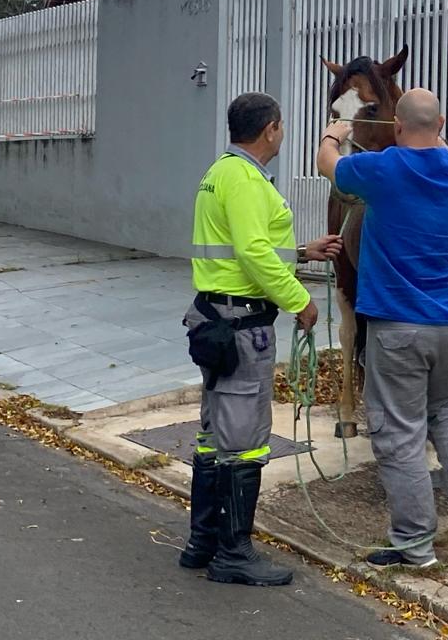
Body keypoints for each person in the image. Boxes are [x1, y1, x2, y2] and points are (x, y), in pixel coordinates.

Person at [316, 87, 448, 570]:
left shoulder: (382, 169)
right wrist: (427, 127)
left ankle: (415, 545)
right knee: (446, 408)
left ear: (396, 128)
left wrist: (334, 133)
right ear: (440, 126)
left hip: (398, 329)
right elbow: (432, 139)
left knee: (398, 432)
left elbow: (327, 165)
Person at [181, 92, 342, 586]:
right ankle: (233, 553)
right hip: (241, 327)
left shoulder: (222, 171)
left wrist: (300, 252)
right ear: (271, 128)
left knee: (214, 436)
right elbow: (252, 252)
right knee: (244, 443)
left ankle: (202, 542)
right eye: (282, 126)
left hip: (217, 319)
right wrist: (300, 300)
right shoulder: (247, 179)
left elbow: (246, 247)